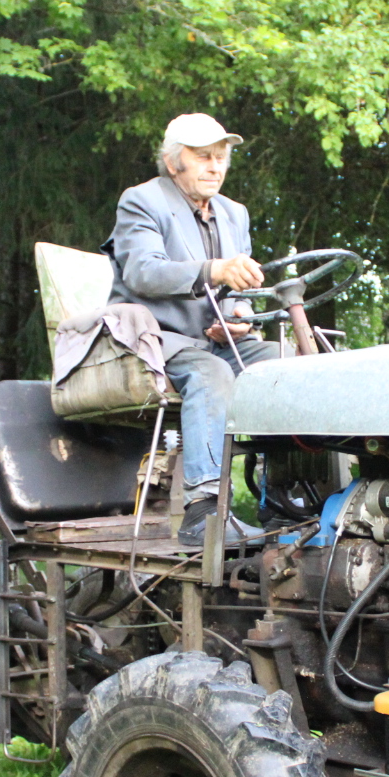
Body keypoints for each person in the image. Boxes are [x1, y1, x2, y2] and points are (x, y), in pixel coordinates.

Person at [104, 113, 279, 546]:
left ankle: (287, 495)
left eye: (222, 157)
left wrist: (237, 317)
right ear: (173, 160)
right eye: (204, 157)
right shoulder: (142, 201)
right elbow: (143, 272)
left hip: (217, 340)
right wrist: (214, 270)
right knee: (209, 374)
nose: (216, 166)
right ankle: (203, 511)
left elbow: (239, 289)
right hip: (158, 338)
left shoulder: (234, 213)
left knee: (290, 365)